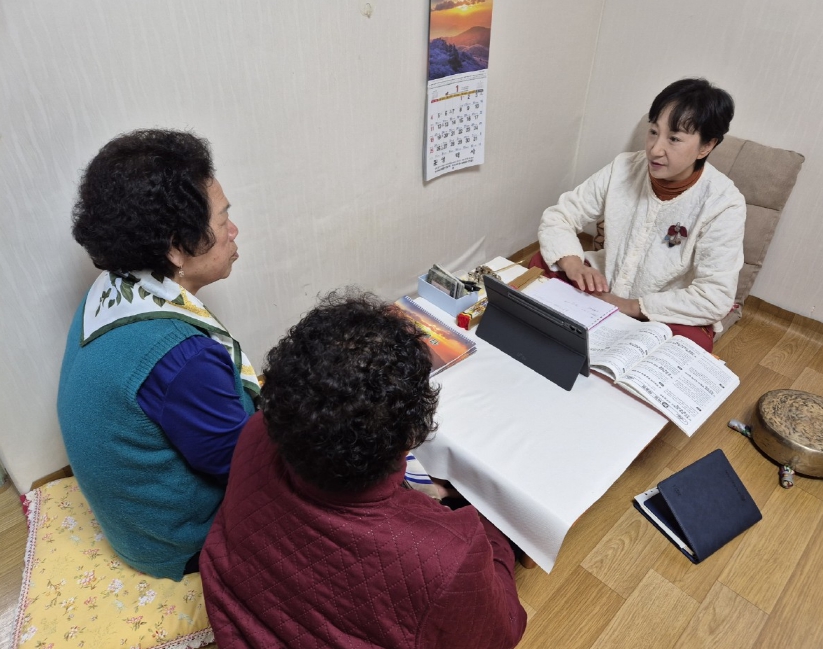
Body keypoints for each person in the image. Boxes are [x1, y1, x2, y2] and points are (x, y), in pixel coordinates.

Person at [200, 290, 527, 649]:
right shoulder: (447, 557)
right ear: (410, 438)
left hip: (236, 617)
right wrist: (490, 532)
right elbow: (502, 632)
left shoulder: (256, 430)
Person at [57, 129, 259, 580]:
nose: (233, 231)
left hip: (133, 524)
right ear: (175, 247)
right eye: (223, 219)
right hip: (179, 542)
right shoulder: (182, 357)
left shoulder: (113, 287)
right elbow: (245, 468)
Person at [534, 78, 746, 352]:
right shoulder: (623, 167)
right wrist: (574, 265)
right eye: (653, 132)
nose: (655, 149)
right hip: (604, 286)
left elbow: (715, 296)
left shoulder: (724, 203)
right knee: (543, 261)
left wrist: (629, 306)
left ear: (706, 146)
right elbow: (560, 217)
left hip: (661, 310)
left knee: (692, 344)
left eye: (674, 139)